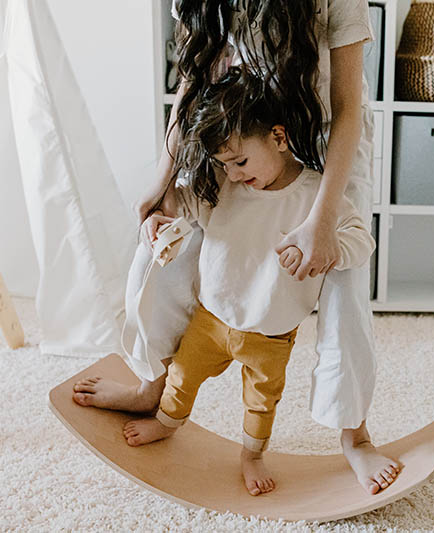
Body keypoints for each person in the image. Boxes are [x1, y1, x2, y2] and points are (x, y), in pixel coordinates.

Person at [73, 0, 399, 495]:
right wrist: (163, 179)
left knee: (345, 287)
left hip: (326, 136)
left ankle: (355, 435)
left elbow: (350, 107)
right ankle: (152, 387)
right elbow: (192, 83)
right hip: (238, 133)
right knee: (161, 252)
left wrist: (323, 218)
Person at [120, 69, 380, 496]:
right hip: (210, 319)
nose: (235, 173)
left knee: (261, 404)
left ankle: (252, 455)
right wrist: (162, 219)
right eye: (226, 165)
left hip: (271, 335)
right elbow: (188, 204)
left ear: (279, 137)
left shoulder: (316, 195)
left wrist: (327, 246)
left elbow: (357, 239)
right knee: (182, 376)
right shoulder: (226, 184)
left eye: (240, 161)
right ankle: (167, 422)